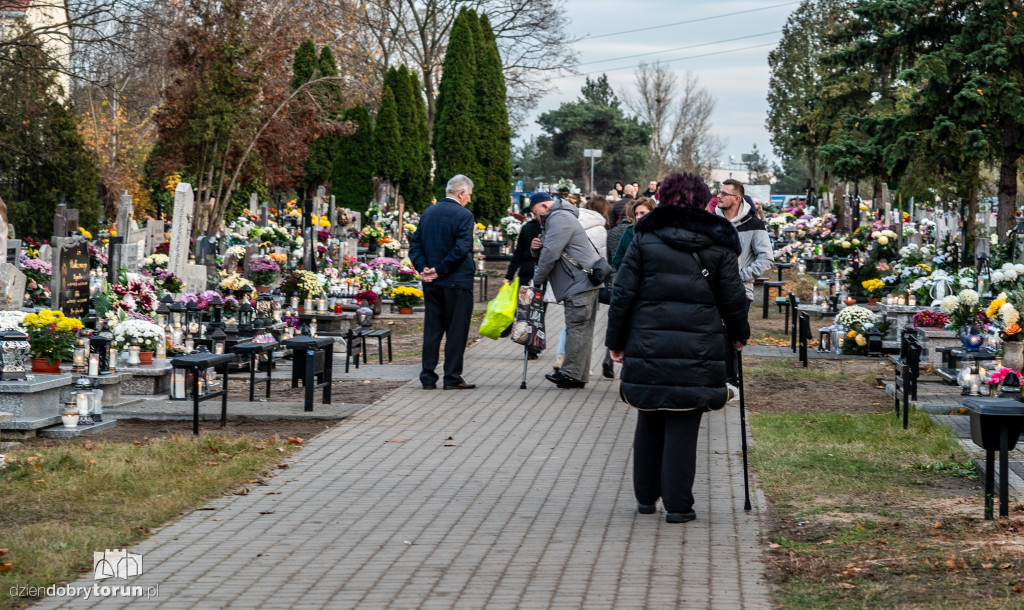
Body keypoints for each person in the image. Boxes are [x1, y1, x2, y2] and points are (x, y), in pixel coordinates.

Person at [606, 171, 750, 524]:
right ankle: (678, 505)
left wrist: (615, 341)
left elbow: (623, 292)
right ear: (704, 200)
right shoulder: (719, 240)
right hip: (698, 348)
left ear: (665, 198)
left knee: (649, 416)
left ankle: (645, 498)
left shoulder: (644, 235)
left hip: (649, 342)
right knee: (685, 423)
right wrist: (739, 333)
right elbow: (732, 295)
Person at [409, 174, 477, 390]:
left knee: (432, 329)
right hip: (456, 282)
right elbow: (462, 248)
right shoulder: (464, 215)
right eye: (468, 195)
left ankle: (427, 377)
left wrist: (424, 269)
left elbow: (415, 244)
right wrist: (439, 270)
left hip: (432, 284)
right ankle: (452, 377)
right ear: (461, 193)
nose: (469, 199)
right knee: (456, 331)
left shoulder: (428, 213)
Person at [530, 192, 602, 389]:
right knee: (581, 331)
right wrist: (535, 249)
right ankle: (577, 376)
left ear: (545, 207)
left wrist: (536, 280)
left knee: (576, 329)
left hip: (578, 284)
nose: (537, 219)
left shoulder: (559, 218)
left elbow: (551, 253)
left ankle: (570, 374)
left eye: (537, 214)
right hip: (581, 283)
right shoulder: (560, 216)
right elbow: (549, 250)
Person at [553, 196, 608, 371]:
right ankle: (580, 365)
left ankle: (562, 356)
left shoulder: (570, 221)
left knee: (570, 322)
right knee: (584, 326)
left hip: (568, 279)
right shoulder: (600, 228)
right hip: (590, 280)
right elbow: (602, 257)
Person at [716, 179, 774, 302]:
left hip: (740, 292)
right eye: (719, 192)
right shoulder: (711, 223)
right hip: (711, 292)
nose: (718, 196)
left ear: (737, 199)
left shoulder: (754, 225)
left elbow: (766, 258)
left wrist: (739, 276)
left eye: (724, 194)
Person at [504, 195, 545, 359]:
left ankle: (529, 345)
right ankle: (534, 345)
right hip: (541, 274)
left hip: (525, 274)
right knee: (538, 313)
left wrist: (509, 276)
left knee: (526, 312)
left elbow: (518, 254)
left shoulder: (527, 228)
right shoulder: (547, 229)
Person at [611, 197, 656, 269]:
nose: (638, 217)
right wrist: (631, 263)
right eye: (636, 214)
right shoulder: (629, 233)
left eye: (642, 213)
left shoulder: (661, 233)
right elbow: (617, 260)